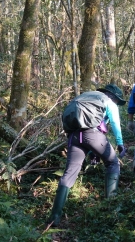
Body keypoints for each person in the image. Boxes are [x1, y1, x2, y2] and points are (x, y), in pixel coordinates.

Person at [47, 84, 127, 227]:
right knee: (113, 163)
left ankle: (54, 218)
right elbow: (114, 122)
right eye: (117, 101)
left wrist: (92, 152)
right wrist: (120, 143)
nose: (117, 103)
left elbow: (84, 131)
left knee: (69, 174)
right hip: (93, 135)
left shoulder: (86, 97)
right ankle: (111, 209)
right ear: (113, 96)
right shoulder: (108, 101)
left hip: (74, 136)